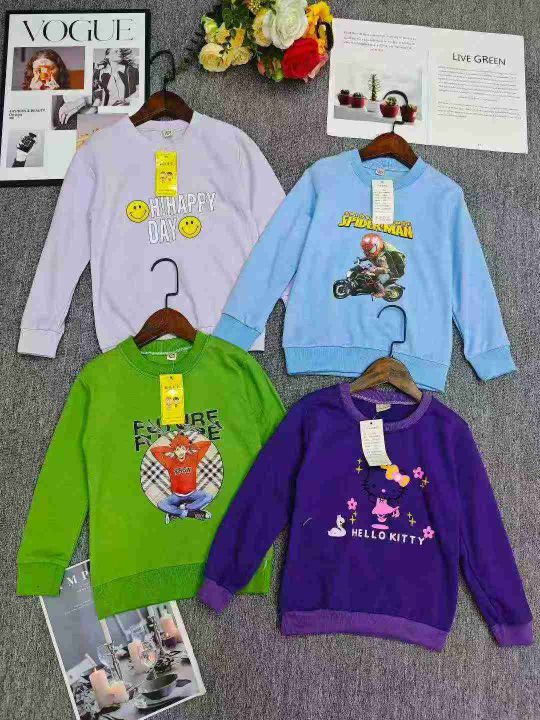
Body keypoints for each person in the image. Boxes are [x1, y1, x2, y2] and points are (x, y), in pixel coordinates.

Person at [151, 434, 213, 523]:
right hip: (176, 496)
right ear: (174, 451)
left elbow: (207, 443)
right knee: (161, 504)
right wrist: (170, 449)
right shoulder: (169, 462)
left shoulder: (193, 459)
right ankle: (191, 514)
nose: (180, 452)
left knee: (208, 496)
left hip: (192, 493)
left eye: (183, 449)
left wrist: (191, 446)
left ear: (186, 449)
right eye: (177, 450)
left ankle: (182, 510)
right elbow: (154, 451)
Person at [358, 233, 405, 299]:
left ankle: (382, 292)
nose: (368, 253)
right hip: (385, 267)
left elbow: (385, 270)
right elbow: (369, 256)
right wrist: (361, 259)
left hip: (391, 272)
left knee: (377, 281)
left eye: (371, 250)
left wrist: (374, 270)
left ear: (378, 246)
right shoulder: (373, 252)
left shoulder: (381, 258)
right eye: (366, 251)